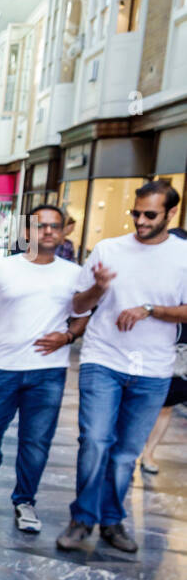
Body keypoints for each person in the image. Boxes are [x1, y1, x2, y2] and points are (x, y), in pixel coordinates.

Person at [57, 179, 187, 553]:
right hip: (104, 360)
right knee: (95, 441)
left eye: (150, 215)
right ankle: (82, 518)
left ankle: (112, 521)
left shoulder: (181, 256)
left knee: (126, 453)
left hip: (153, 369)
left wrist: (150, 310)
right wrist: (98, 289)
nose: (141, 221)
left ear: (171, 213)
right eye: (136, 213)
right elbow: (77, 307)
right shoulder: (108, 249)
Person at [0, 204, 90, 532]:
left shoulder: (74, 273)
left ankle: (25, 501)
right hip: (1, 368)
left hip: (48, 371)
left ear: (63, 232)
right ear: (26, 232)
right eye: (40, 226)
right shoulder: (2, 268)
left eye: (54, 226)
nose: (48, 231)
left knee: (36, 440)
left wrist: (67, 336)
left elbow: (83, 313)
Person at [138, 323, 187, 474]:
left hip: (181, 351)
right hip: (154, 334)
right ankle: (127, 454)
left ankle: (148, 454)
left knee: (166, 405)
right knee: (135, 402)